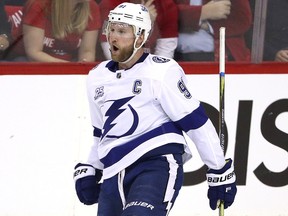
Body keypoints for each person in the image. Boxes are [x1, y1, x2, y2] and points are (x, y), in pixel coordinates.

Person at [73, 2, 237, 216]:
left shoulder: (161, 71)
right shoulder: (97, 77)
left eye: (122, 31)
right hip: (114, 172)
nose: (113, 37)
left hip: (155, 165)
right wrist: (91, 167)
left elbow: (196, 123)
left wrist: (219, 168)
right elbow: (100, 133)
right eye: (111, 29)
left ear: (140, 37)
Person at [21, 0, 101, 62]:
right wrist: (69, 68)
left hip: (70, 62)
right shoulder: (39, 4)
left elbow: (87, 51)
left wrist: (82, 66)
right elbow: (34, 54)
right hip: (32, 63)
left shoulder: (91, 7)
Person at [98, 0, 178, 60]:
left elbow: (164, 58)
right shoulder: (110, 3)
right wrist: (141, 22)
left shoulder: (167, 6)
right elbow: (115, 56)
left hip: (151, 73)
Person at [175, 0, 252, 62]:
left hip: (221, 57)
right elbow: (166, 13)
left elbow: (242, 19)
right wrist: (203, 12)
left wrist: (206, 25)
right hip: (176, 56)